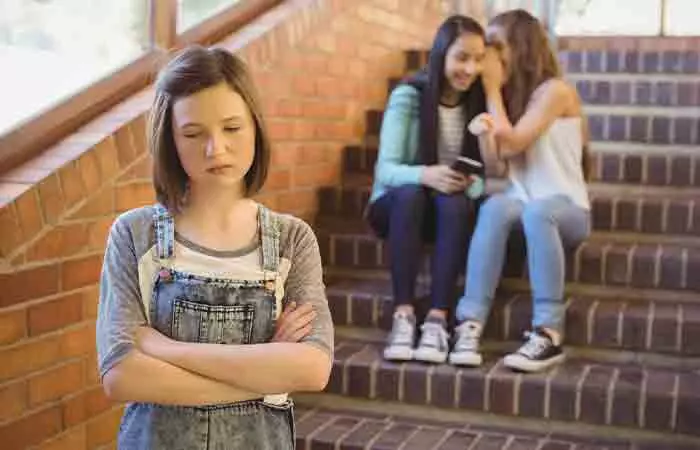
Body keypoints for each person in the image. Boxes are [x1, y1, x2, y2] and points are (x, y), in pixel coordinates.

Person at [96, 45, 333, 450]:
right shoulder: (135, 236)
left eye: (232, 128)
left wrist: (166, 349)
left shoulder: (293, 240)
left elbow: (312, 369)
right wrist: (267, 370)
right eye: (193, 134)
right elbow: (122, 376)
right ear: (170, 139)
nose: (216, 148)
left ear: (255, 126)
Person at [449, 9, 591, 373]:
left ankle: (549, 332)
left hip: (566, 207)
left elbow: (512, 143)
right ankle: (470, 322)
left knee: (537, 211)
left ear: (521, 45)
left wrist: (493, 90)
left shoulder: (555, 91)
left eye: (496, 44)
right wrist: (485, 129)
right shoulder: (512, 99)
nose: (488, 55)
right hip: (525, 203)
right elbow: (498, 166)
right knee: (495, 206)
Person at [366, 15, 489, 364]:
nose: (470, 68)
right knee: (411, 195)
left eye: (479, 60)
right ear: (441, 55)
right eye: (462, 57)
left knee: (456, 204)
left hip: (445, 206)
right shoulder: (410, 95)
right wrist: (427, 175)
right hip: (399, 204)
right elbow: (386, 170)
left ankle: (437, 320)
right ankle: (403, 316)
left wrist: (468, 183)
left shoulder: (476, 103)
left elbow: (482, 176)